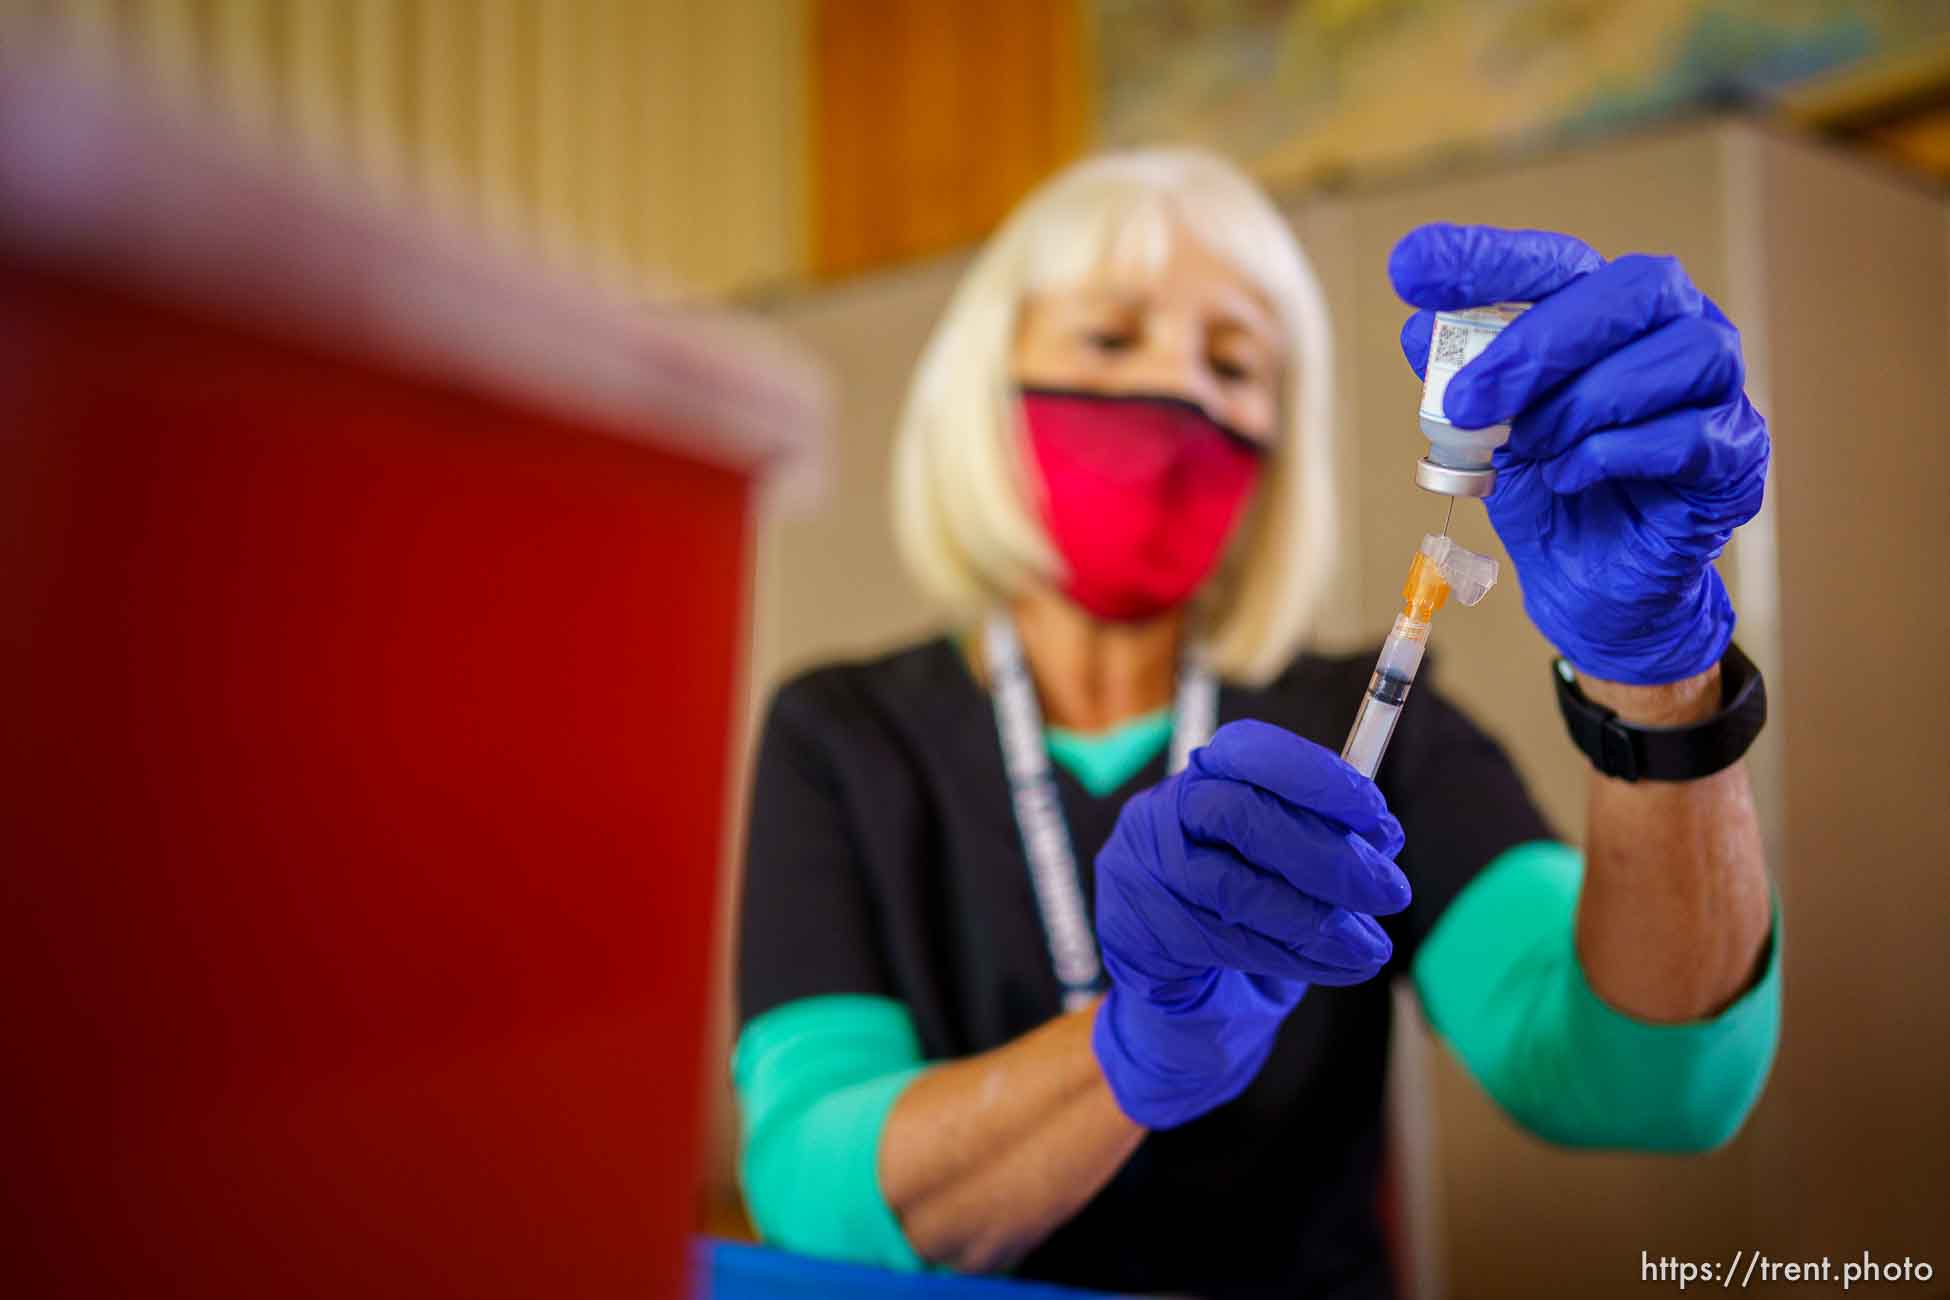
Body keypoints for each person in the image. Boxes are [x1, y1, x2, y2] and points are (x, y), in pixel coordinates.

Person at [732, 149, 1779, 1299]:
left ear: (1278, 452)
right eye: (1110, 339)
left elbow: (1646, 1080)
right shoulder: (846, 736)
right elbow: (807, 1187)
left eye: (1235, 362)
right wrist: (1130, 1049)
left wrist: (1659, 675)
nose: (1179, 390)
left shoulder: (1363, 721)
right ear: (984, 392)